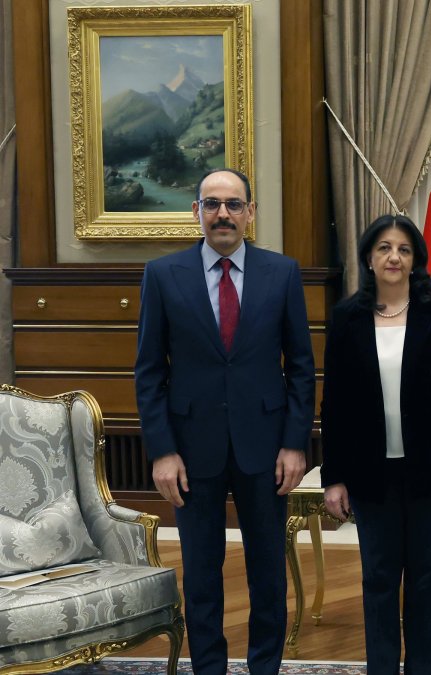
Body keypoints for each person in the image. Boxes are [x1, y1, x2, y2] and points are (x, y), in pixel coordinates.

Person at [134, 167, 315, 675]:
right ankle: (208, 668)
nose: (222, 214)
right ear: (196, 211)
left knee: (268, 573)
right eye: (211, 204)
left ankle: (265, 667)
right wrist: (162, 451)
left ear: (250, 213)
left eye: (234, 204)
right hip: (191, 450)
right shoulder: (163, 275)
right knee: (201, 574)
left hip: (267, 447)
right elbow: (149, 372)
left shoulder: (282, 273)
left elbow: (301, 366)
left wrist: (295, 443)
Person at [320, 214, 431, 673]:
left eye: (404, 249)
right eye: (385, 248)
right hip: (370, 475)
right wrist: (334, 477)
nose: (394, 257)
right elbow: (335, 404)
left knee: (427, 580)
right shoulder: (346, 317)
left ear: (416, 261)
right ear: (369, 258)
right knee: (379, 579)